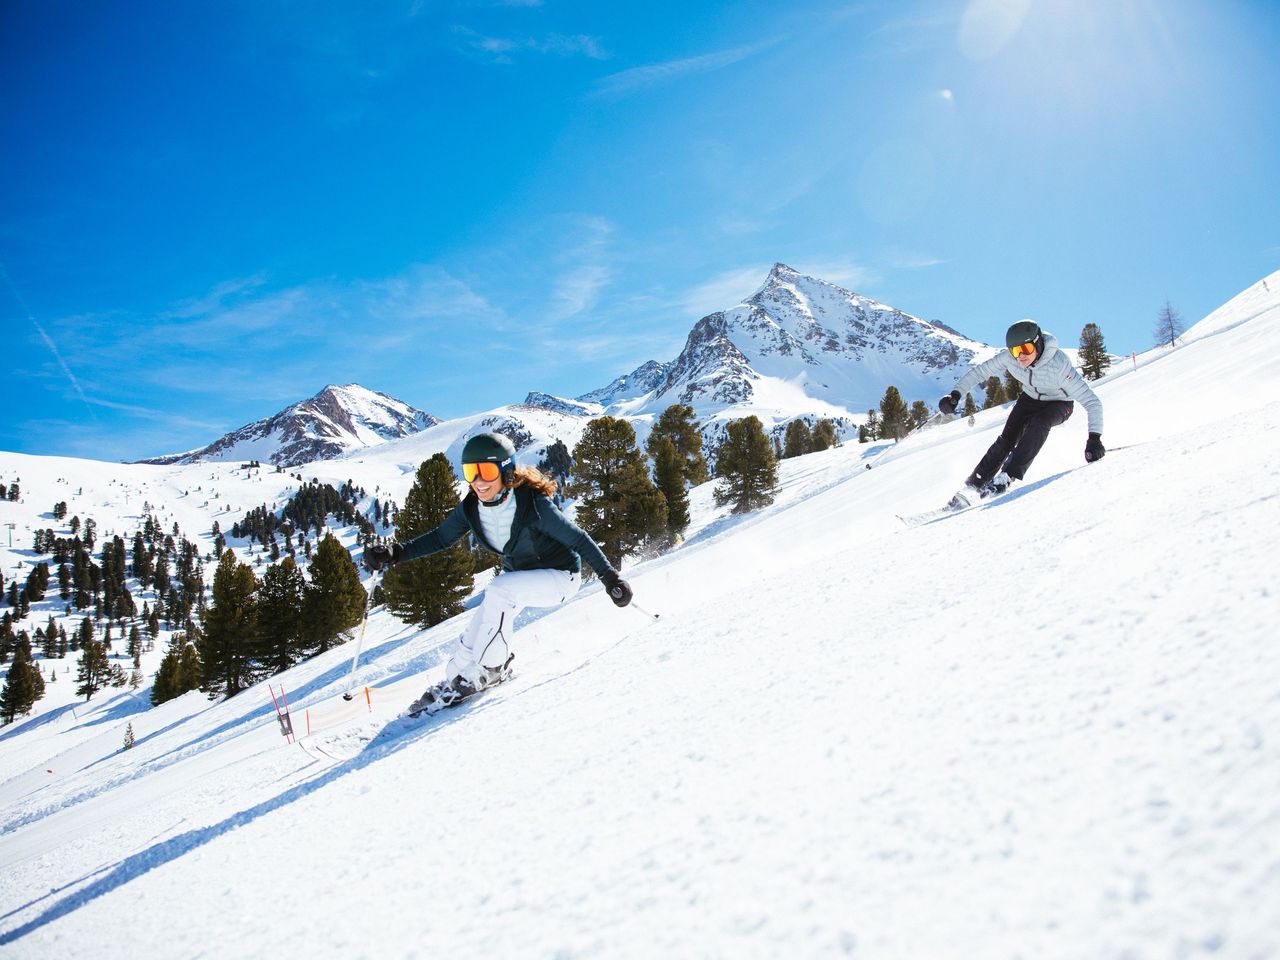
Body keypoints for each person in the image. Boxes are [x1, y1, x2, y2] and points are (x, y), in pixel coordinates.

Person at [364, 431, 633, 715]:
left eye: (487, 471)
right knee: (474, 634)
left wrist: (611, 578)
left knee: (499, 590)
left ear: (506, 471)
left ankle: (490, 669)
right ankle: (456, 676)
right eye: (471, 472)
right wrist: (397, 553)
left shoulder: (533, 504)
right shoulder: (471, 508)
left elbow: (578, 539)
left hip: (560, 577)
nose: (478, 481)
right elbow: (440, 538)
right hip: (518, 583)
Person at [939, 319, 1105, 505]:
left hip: (1059, 402)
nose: (1021, 357)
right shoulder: (1010, 358)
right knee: (1007, 439)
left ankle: (1007, 476)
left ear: (1037, 343)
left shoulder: (1059, 365)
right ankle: (973, 486)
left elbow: (1092, 402)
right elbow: (980, 372)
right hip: (1030, 398)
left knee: (1041, 422)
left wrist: (1094, 439)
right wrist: (955, 395)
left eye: (1025, 349)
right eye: (1016, 351)